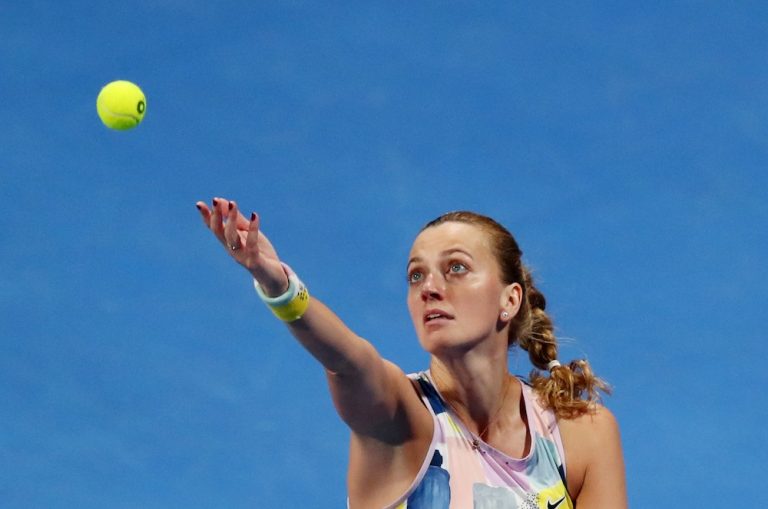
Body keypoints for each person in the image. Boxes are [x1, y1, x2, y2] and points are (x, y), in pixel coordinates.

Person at [196, 197, 627, 508]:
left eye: (456, 268)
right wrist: (279, 286)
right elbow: (348, 361)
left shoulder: (580, 435)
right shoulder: (400, 419)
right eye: (416, 276)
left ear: (510, 300)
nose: (430, 288)